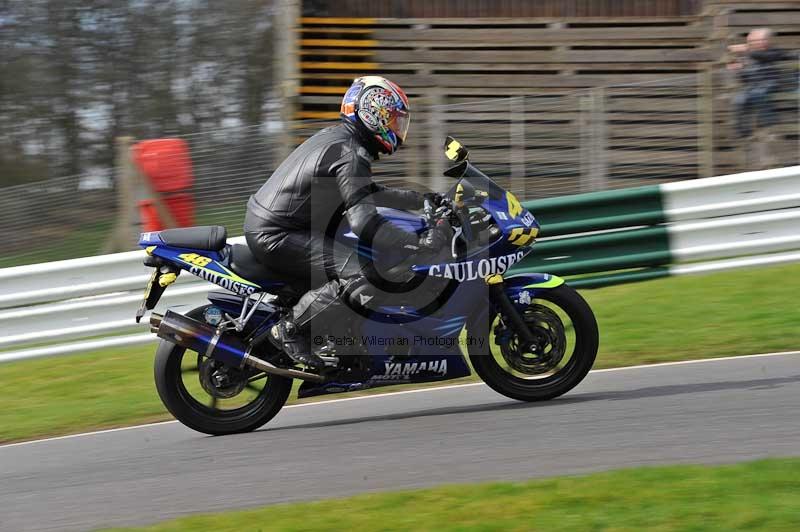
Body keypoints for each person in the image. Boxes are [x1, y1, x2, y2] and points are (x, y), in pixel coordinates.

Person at [243, 76, 449, 369]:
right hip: (279, 234)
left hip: (280, 226)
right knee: (363, 274)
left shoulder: (341, 140)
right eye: (392, 119)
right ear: (372, 112)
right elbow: (364, 223)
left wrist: (421, 199)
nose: (397, 128)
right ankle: (290, 330)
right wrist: (417, 241)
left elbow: (367, 193)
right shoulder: (351, 152)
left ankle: (342, 344)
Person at [727, 28, 792, 138]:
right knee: (739, 99)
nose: (752, 43)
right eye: (750, 42)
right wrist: (738, 70)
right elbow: (745, 78)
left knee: (758, 93)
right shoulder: (748, 56)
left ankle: (771, 127)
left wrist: (747, 50)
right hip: (753, 86)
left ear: (767, 40)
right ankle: (743, 132)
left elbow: (766, 57)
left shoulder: (775, 51)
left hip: (772, 83)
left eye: (755, 41)